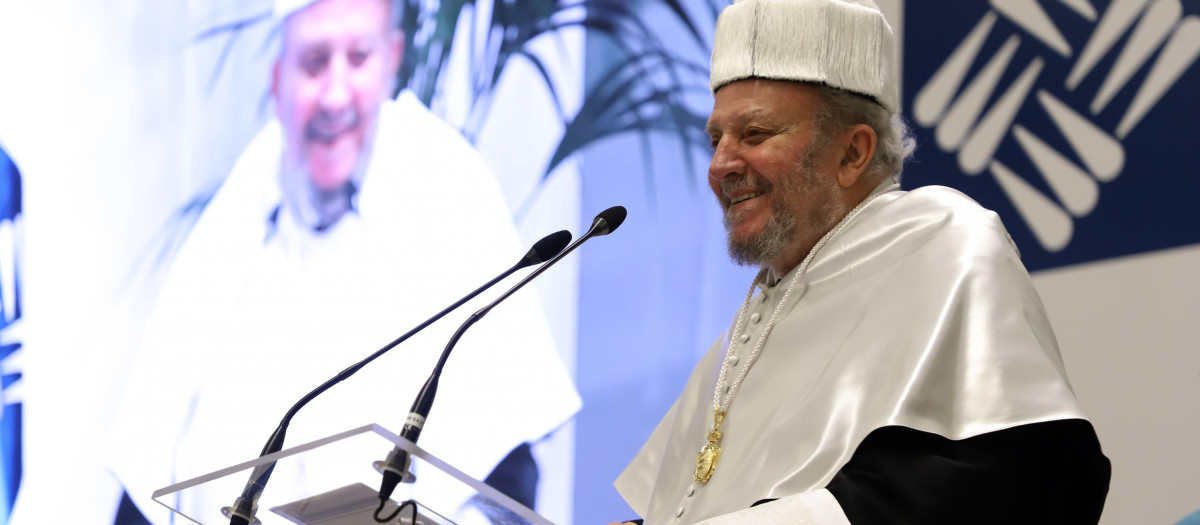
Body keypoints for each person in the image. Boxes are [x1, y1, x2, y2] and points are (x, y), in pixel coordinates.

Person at [613, 0, 1110, 523]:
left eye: (755, 134)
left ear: (853, 153)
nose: (721, 165)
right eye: (716, 139)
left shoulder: (942, 241)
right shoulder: (743, 335)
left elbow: (999, 483)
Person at [101, 0, 580, 522]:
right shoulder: (238, 216)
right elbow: (142, 474)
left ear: (391, 58)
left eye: (358, 58)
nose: (335, 95)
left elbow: (509, 474)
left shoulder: (448, 189)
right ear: (278, 78)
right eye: (313, 62)